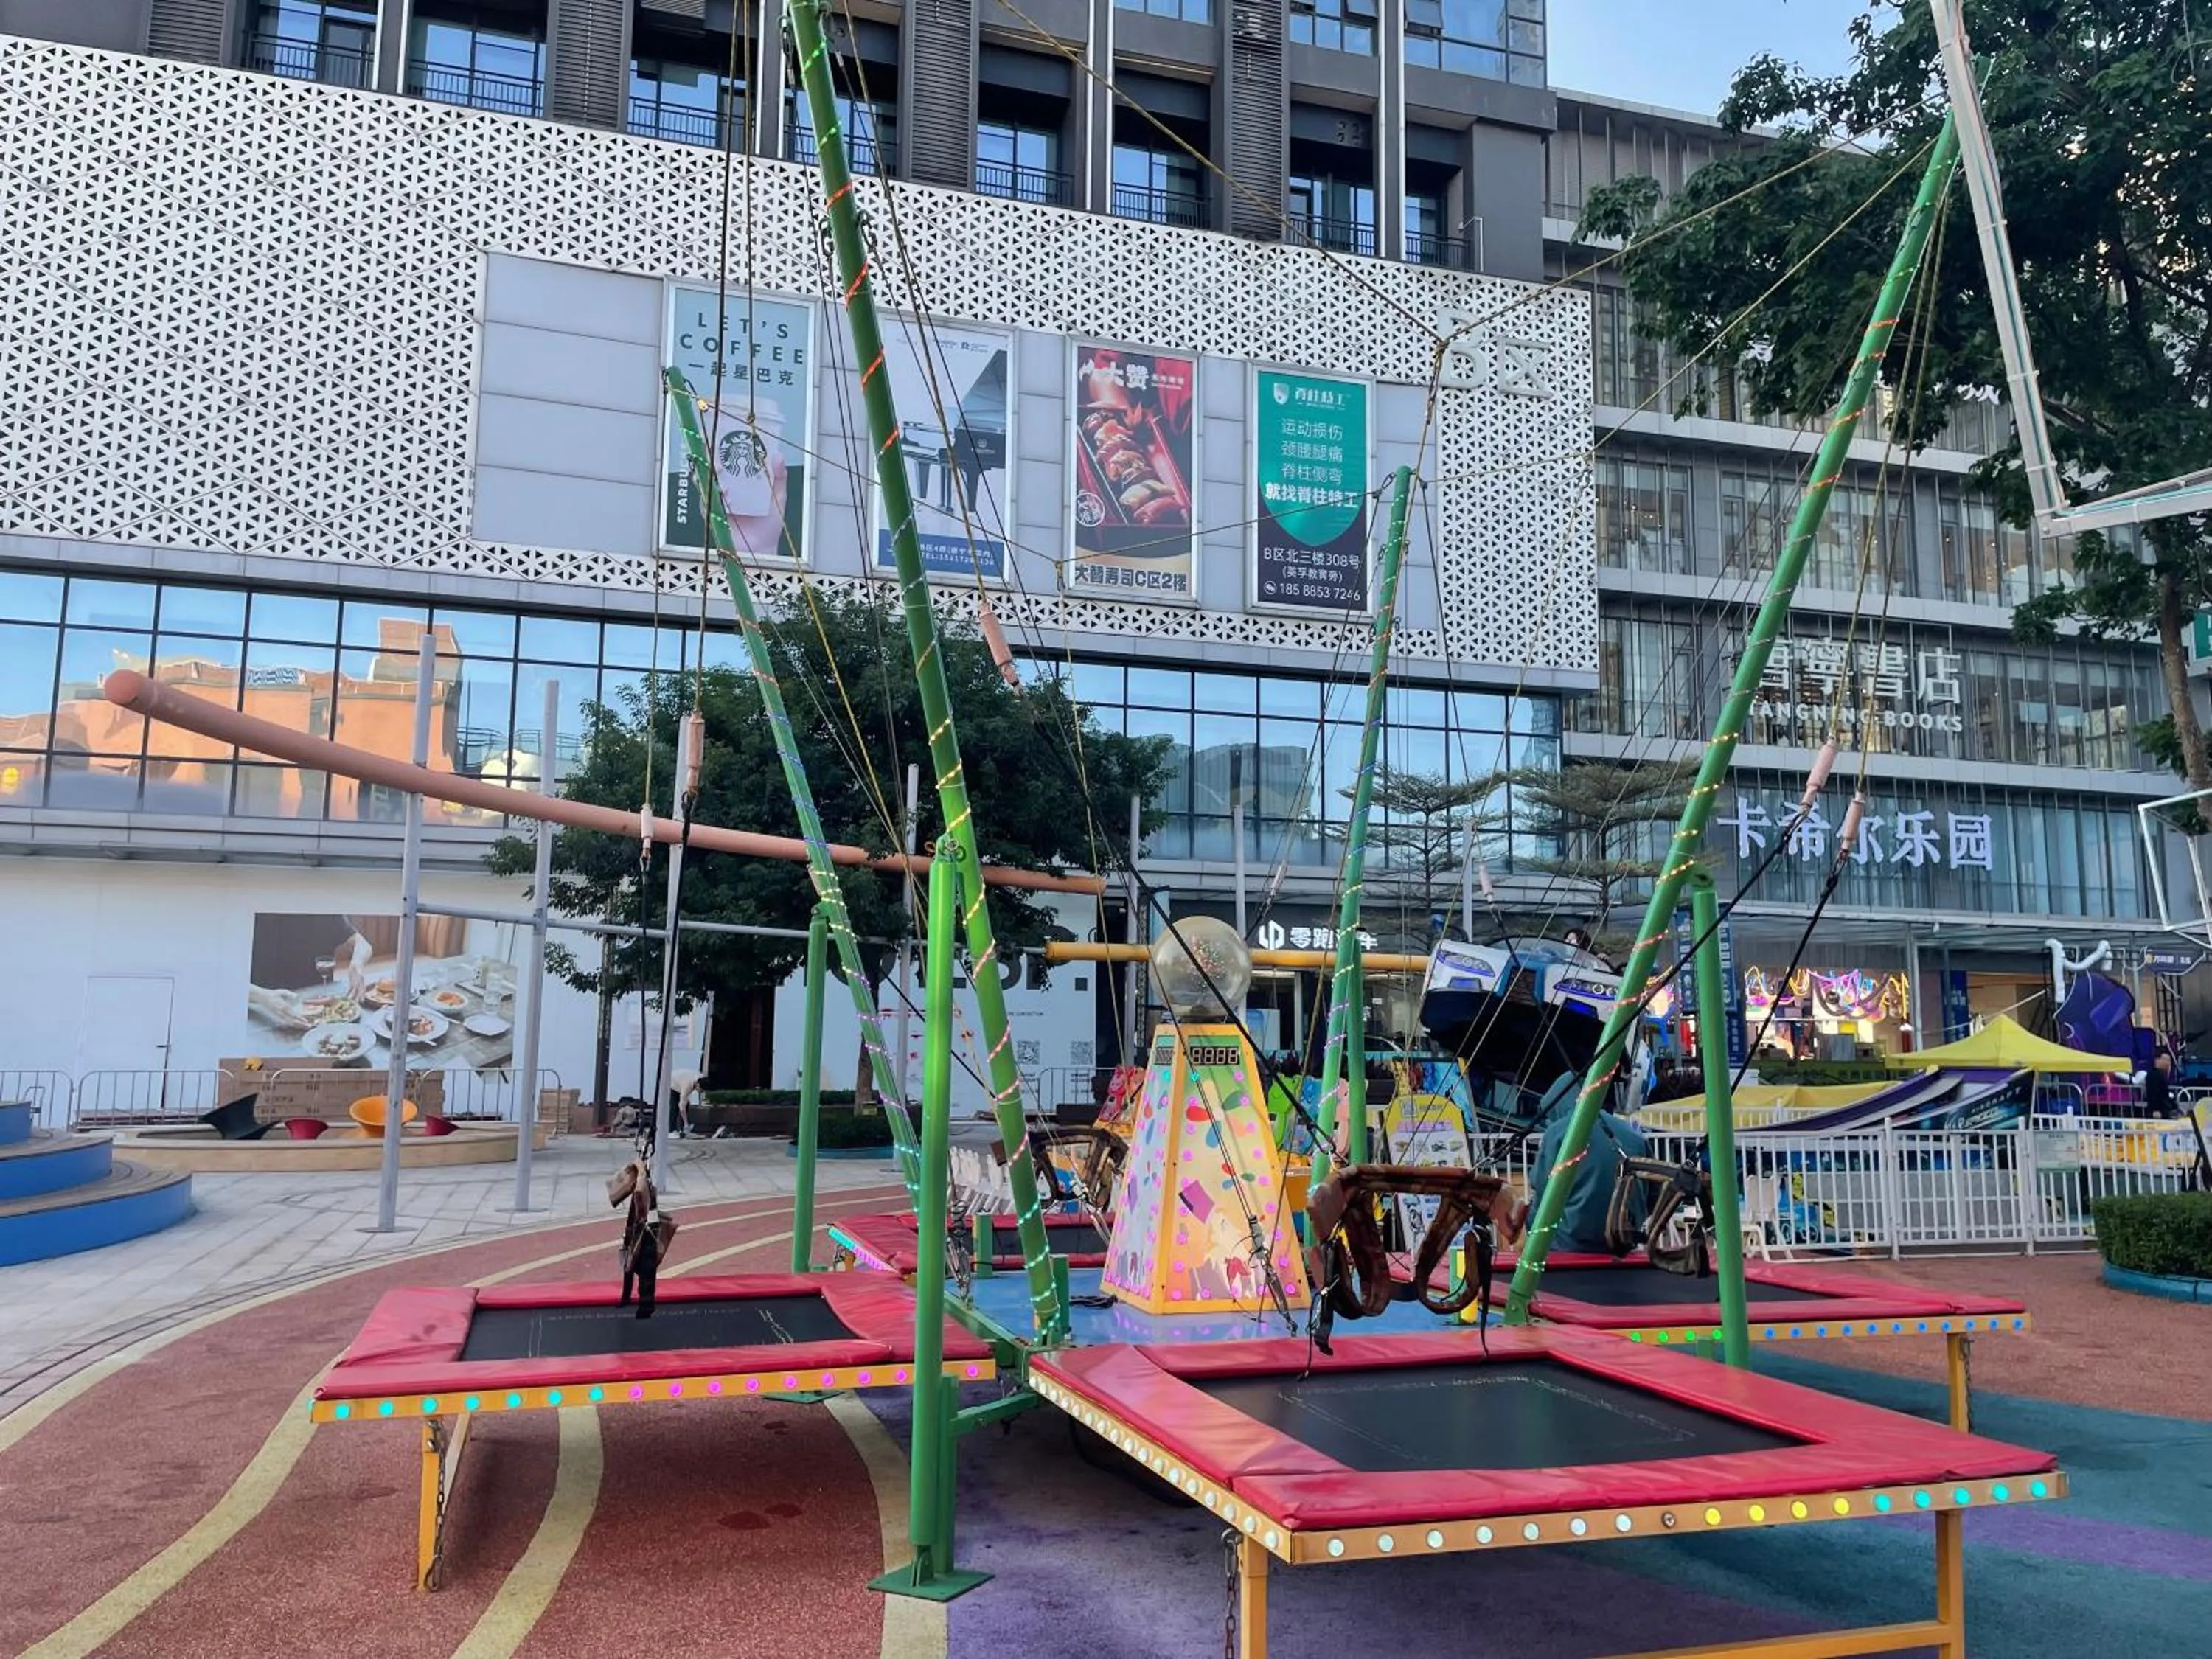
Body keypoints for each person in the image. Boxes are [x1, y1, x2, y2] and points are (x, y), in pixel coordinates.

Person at [1526, 1070, 1649, 1253]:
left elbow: (1542, 1188)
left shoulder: (1557, 1133)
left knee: (1532, 1212)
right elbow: (1651, 1191)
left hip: (1568, 1241)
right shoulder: (1632, 1134)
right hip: (1622, 1237)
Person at [2141, 1051, 2177, 1119]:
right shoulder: (2154, 1075)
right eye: (2166, 1060)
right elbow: (2153, 1092)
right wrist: (2156, 1109)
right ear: (2157, 1060)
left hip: (2164, 1109)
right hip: (2158, 1111)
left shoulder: (2162, 1075)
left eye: (2169, 1061)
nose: (2168, 1063)